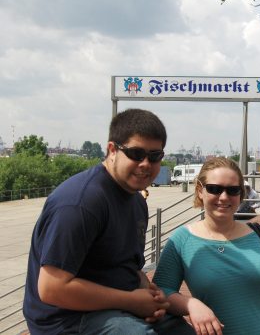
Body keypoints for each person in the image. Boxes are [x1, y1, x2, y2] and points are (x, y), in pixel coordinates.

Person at [23, 109, 194, 335]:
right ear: (112, 150)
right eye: (136, 153)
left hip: (117, 304)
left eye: (154, 156)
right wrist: (131, 302)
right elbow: (52, 289)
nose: (145, 163)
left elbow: (125, 266)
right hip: (66, 319)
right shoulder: (80, 203)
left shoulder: (136, 201)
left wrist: (148, 292)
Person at [153, 157, 260, 335]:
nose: (224, 197)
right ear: (200, 191)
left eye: (233, 190)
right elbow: (161, 291)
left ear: (241, 194)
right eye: (214, 189)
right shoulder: (182, 240)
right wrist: (191, 305)